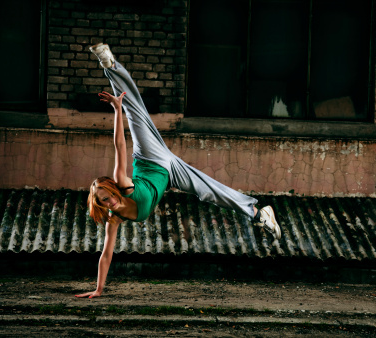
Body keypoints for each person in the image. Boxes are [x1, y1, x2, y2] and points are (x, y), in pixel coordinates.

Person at [75, 44, 281, 299]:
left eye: (109, 195)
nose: (111, 201)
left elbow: (119, 147)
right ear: (99, 204)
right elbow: (106, 254)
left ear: (113, 188)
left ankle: (109, 64)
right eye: (105, 201)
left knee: (134, 110)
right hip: (170, 176)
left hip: (151, 158)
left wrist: (117, 110)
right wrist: (98, 289)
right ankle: (258, 213)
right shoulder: (113, 219)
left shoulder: (123, 184)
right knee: (208, 192)